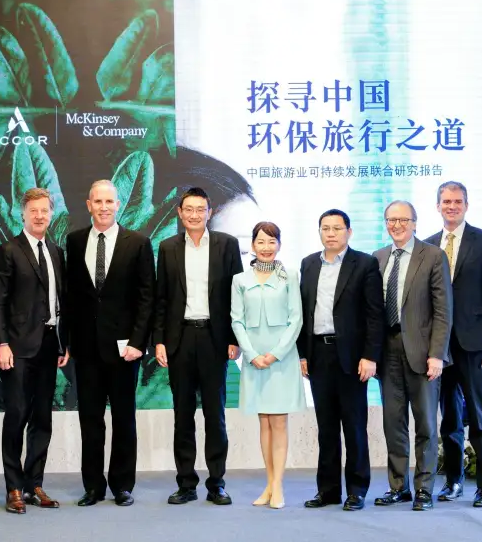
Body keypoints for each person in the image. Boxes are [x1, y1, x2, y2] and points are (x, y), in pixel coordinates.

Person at [64, 179, 155, 507]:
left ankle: (122, 485)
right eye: (98, 201)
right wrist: (68, 342)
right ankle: (93, 486)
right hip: (87, 349)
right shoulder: (75, 241)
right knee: (90, 421)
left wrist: (138, 342)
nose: (103, 207)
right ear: (89, 205)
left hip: (125, 350)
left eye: (109, 201)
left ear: (118, 205)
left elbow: (147, 297)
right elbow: (71, 296)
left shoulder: (138, 243)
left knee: (124, 419)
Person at [153, 187, 243, 506]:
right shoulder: (167, 247)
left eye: (200, 209)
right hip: (179, 340)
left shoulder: (226, 245)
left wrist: (234, 338)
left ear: (209, 212)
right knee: (183, 416)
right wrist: (159, 340)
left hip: (214, 339)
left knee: (215, 415)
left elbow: (237, 295)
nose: (194, 215)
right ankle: (186, 483)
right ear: (180, 213)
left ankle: (216, 483)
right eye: (188, 209)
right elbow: (161, 298)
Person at [0, 188, 71, 514]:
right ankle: (13, 488)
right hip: (16, 348)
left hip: (49, 345)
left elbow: (61, 301)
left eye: (44, 210)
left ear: (51, 214)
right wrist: (1, 343)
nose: (39, 216)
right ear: (22, 214)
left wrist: (63, 343)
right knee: (17, 415)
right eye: (33, 210)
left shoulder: (56, 251)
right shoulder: (7, 251)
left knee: (42, 418)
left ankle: (34, 484)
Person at [425, 181, 482, 508]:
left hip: (475, 343)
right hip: (440, 347)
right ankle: (454, 481)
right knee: (449, 419)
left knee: (480, 415)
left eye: (457, 201)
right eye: (446, 201)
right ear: (438, 206)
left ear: (466, 205)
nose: (452, 206)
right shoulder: (428, 245)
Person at [298, 209, 385, 511]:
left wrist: (370, 356)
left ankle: (357, 490)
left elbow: (375, 315)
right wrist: (303, 353)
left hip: (352, 357)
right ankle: (328, 491)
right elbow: (304, 311)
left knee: (354, 426)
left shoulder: (365, 264)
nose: (331, 233)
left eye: (337, 228)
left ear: (349, 231)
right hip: (318, 354)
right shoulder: (309, 264)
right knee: (326, 428)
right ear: (319, 232)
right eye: (325, 228)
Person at [372, 200, 452, 512]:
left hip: (422, 353)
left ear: (415, 223)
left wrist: (437, 354)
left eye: (403, 220)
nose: (397, 225)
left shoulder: (432, 255)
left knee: (426, 425)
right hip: (387, 352)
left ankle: (424, 489)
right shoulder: (378, 258)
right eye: (391, 220)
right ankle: (398, 487)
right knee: (393, 424)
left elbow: (443, 311)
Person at [230, 222, 306, 510]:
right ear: (252, 245)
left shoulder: (290, 276)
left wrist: (274, 354)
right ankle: (269, 484)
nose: (266, 247)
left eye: (271, 241)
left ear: (279, 245)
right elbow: (236, 320)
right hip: (254, 359)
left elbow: (296, 319)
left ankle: (278, 486)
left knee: (279, 422)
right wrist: (251, 354)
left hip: (281, 359)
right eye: (260, 242)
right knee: (264, 421)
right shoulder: (240, 280)